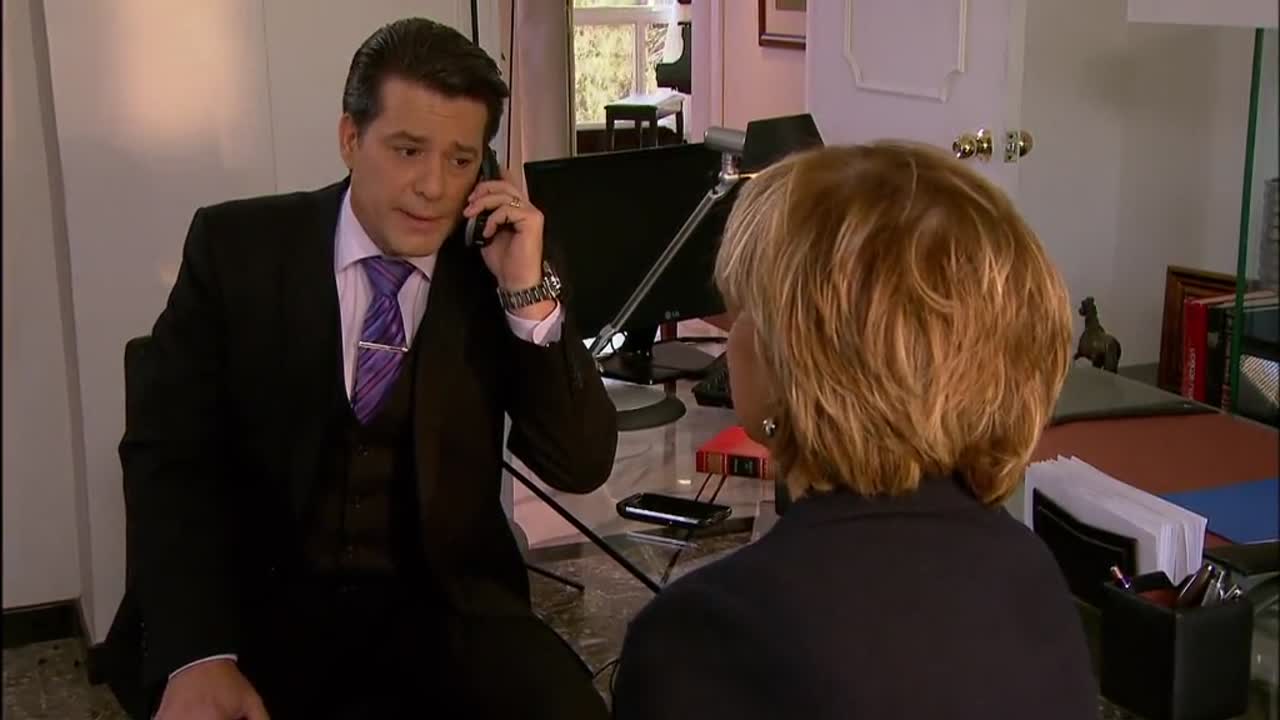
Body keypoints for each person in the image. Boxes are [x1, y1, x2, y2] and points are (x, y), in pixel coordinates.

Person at [101, 17, 618, 719]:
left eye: (461, 160)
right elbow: (169, 461)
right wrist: (198, 655)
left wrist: (525, 294)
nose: (433, 186)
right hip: (257, 613)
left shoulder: (501, 268)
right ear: (351, 139)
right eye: (408, 150)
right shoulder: (237, 249)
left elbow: (580, 464)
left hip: (445, 612)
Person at [610, 143, 1099, 719]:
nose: (733, 335)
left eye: (742, 311)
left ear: (794, 360)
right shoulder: (1030, 571)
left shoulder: (705, 636)